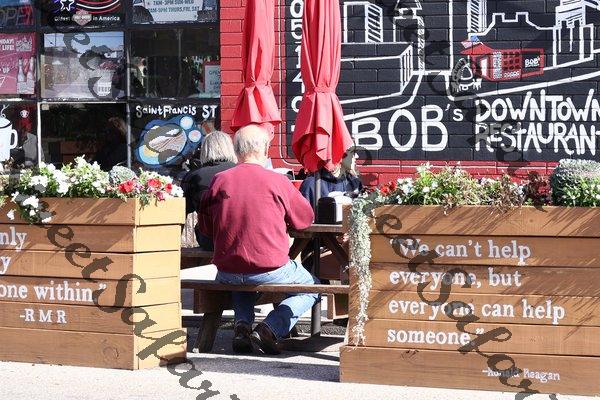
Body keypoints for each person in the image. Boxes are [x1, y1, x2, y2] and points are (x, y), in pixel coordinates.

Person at [198, 124, 317, 355]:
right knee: (311, 286)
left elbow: (206, 228)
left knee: (241, 270)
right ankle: (270, 328)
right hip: (269, 268)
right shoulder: (278, 181)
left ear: (236, 150)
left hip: (227, 271)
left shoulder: (219, 180)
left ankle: (242, 327)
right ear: (264, 149)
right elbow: (305, 220)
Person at [181, 131, 237, 249]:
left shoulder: (194, 176)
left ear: (205, 150)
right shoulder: (242, 171)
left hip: (211, 240)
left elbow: (182, 211)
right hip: (242, 237)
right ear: (230, 148)